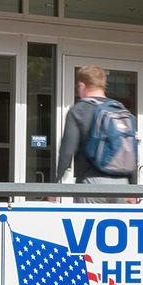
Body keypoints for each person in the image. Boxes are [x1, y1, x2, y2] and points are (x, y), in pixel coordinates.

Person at [54, 64, 136, 204]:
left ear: (81, 85)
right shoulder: (120, 109)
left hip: (91, 184)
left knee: (86, 225)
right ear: (103, 85)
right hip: (122, 186)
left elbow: (67, 152)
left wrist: (55, 184)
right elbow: (131, 151)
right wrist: (133, 190)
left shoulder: (79, 110)